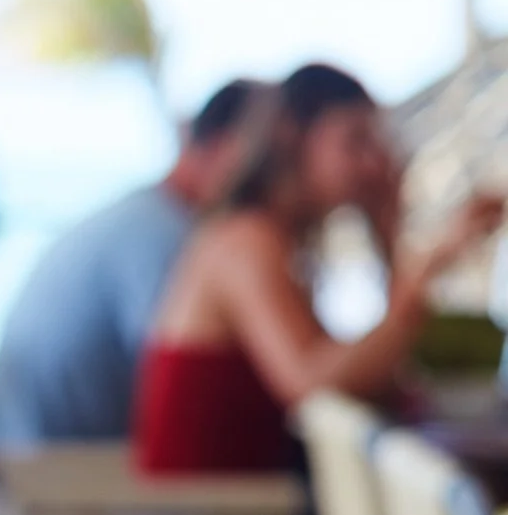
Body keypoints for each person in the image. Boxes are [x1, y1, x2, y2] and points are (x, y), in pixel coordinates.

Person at [134, 62, 503, 472]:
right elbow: (313, 387)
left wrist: (388, 232)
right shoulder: (247, 240)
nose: (373, 164)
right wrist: (424, 274)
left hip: (248, 506)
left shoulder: (277, 241)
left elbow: (378, 383)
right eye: (355, 141)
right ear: (292, 135)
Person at [0, 80, 261, 451]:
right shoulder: (164, 236)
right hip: (51, 471)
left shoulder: (147, 217)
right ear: (225, 149)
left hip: (24, 450)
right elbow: (177, 391)